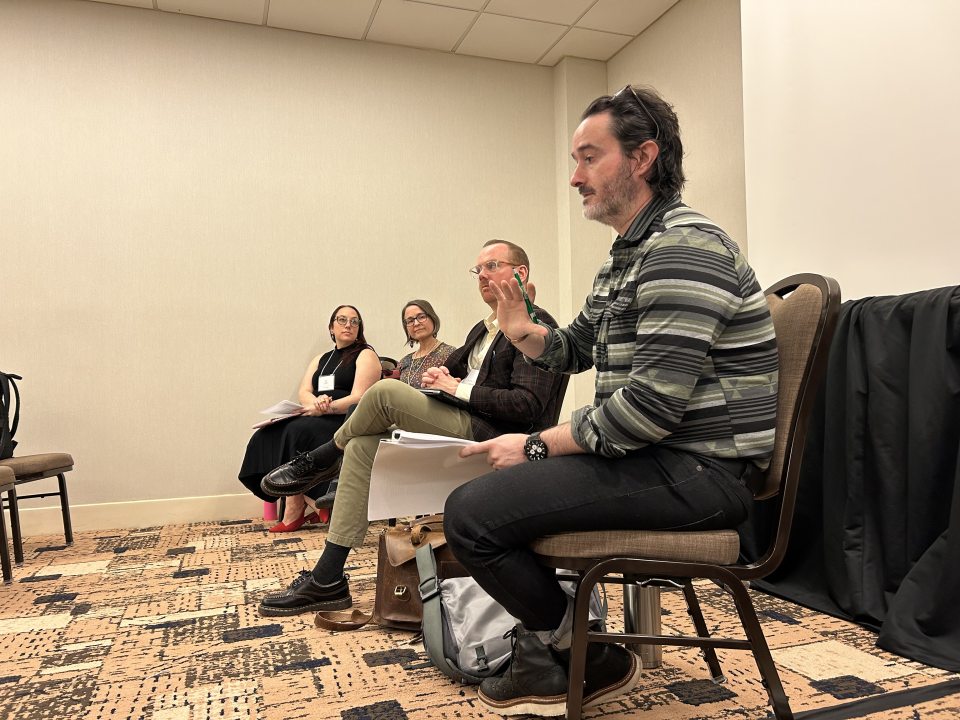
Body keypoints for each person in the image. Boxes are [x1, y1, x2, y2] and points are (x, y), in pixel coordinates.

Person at [443, 86, 780, 716]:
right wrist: (519, 325)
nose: (575, 177)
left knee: (472, 516)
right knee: (474, 507)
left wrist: (537, 445)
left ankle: (580, 658)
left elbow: (648, 410)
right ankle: (571, 651)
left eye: (589, 158)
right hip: (658, 456)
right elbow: (572, 348)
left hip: (703, 471)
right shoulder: (628, 254)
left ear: (643, 156)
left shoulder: (682, 248)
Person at [256, 240, 566, 617]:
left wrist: (459, 388)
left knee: (385, 391)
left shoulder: (537, 327)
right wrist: (443, 377)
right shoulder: (481, 329)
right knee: (362, 445)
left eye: (493, 266)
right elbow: (451, 370)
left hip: (496, 435)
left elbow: (529, 407)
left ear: (521, 273)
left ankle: (322, 458)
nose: (482, 275)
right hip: (463, 418)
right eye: (478, 270)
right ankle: (328, 578)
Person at [237, 305, 381, 532]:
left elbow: (361, 398)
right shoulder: (321, 359)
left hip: (344, 420)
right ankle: (308, 500)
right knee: (267, 434)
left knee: (296, 432)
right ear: (331, 328)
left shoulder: (366, 354)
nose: (348, 325)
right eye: (342, 320)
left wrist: (327, 408)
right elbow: (304, 391)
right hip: (317, 415)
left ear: (359, 328)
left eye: (354, 322)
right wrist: (313, 403)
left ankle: (295, 507)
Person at [397, 299, 456, 388]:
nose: (416, 323)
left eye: (421, 317)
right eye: (410, 321)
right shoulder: (404, 361)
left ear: (433, 318)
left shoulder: (450, 353)